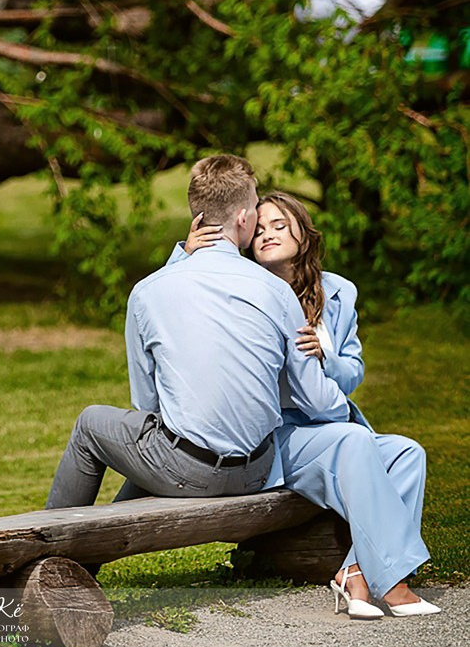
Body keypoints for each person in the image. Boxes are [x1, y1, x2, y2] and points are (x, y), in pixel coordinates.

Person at [174, 191, 441, 618]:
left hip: (330, 426)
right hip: (275, 433)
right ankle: (392, 582)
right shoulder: (242, 289)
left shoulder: (338, 293)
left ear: (303, 230)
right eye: (258, 229)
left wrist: (327, 356)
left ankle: (354, 571)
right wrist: (184, 255)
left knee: (408, 453)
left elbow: (353, 371)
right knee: (352, 440)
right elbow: (178, 298)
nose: (267, 235)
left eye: (279, 225)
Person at [46, 156, 349, 516]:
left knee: (91, 424)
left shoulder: (147, 292)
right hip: (258, 470)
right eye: (255, 208)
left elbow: (147, 403)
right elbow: (315, 398)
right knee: (160, 445)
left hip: (189, 470)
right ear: (243, 218)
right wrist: (345, 410)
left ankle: (50, 544)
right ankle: (81, 558)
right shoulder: (277, 291)